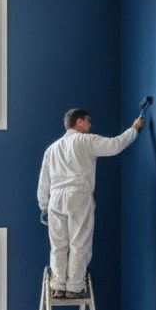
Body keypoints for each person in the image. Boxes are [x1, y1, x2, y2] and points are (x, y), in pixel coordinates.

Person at [37, 108, 145, 298]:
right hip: (77, 193)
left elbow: (43, 182)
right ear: (79, 122)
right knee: (79, 243)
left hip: (55, 199)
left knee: (59, 245)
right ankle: (73, 287)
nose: (90, 124)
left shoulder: (51, 149)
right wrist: (134, 129)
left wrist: (44, 206)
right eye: (88, 121)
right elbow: (115, 145)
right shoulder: (85, 140)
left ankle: (58, 286)